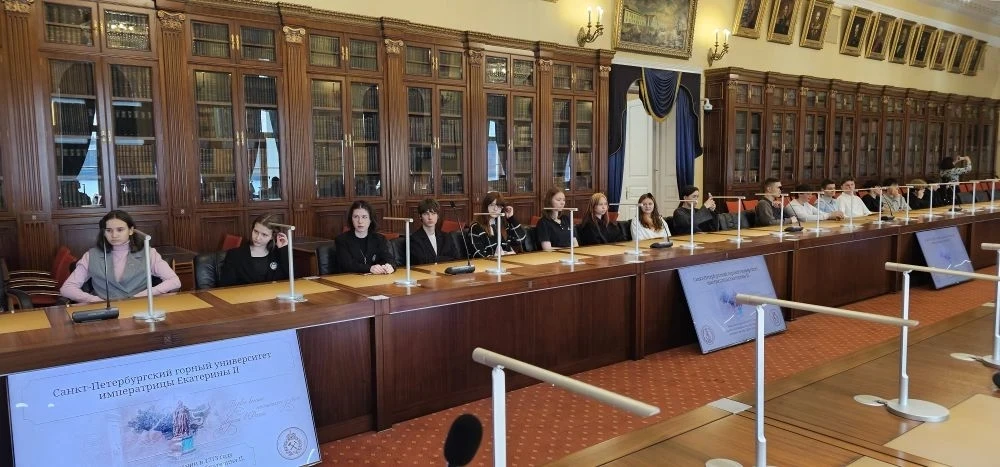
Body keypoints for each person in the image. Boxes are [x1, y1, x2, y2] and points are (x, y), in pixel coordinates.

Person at [60, 210, 181, 303]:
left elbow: (174, 281)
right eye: (109, 230)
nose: (114, 235)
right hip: (105, 312)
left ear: (131, 230)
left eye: (120, 230)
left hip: (140, 308)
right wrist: (95, 301)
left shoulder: (149, 253)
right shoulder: (91, 256)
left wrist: (141, 296)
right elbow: (67, 288)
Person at [218, 214, 289, 287]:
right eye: (256, 231)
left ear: (272, 236)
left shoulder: (279, 254)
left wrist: (284, 249)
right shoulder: (234, 255)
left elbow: (292, 279)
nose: (257, 238)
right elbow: (226, 286)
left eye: (264, 235)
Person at [335, 200, 395, 274]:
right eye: (356, 217)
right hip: (351, 278)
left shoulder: (379, 239)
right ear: (351, 219)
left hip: (375, 278)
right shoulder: (342, 240)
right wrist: (369, 268)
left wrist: (390, 266)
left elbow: (389, 260)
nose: (360, 221)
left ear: (370, 219)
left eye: (364, 217)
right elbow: (347, 265)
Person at [468, 192, 526, 258]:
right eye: (492, 205)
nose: (495, 209)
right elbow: (477, 253)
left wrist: (511, 218)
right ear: (486, 206)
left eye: (498, 206)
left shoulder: (503, 223)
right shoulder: (476, 227)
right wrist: (496, 257)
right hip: (486, 263)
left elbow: (520, 240)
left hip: (505, 261)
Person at [409, 198, 461, 265]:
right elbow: (421, 261)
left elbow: (456, 258)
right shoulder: (414, 239)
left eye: (433, 213)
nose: (430, 217)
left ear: (437, 216)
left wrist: (434, 259)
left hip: (446, 270)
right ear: (420, 216)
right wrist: (445, 258)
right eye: (426, 214)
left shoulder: (446, 236)